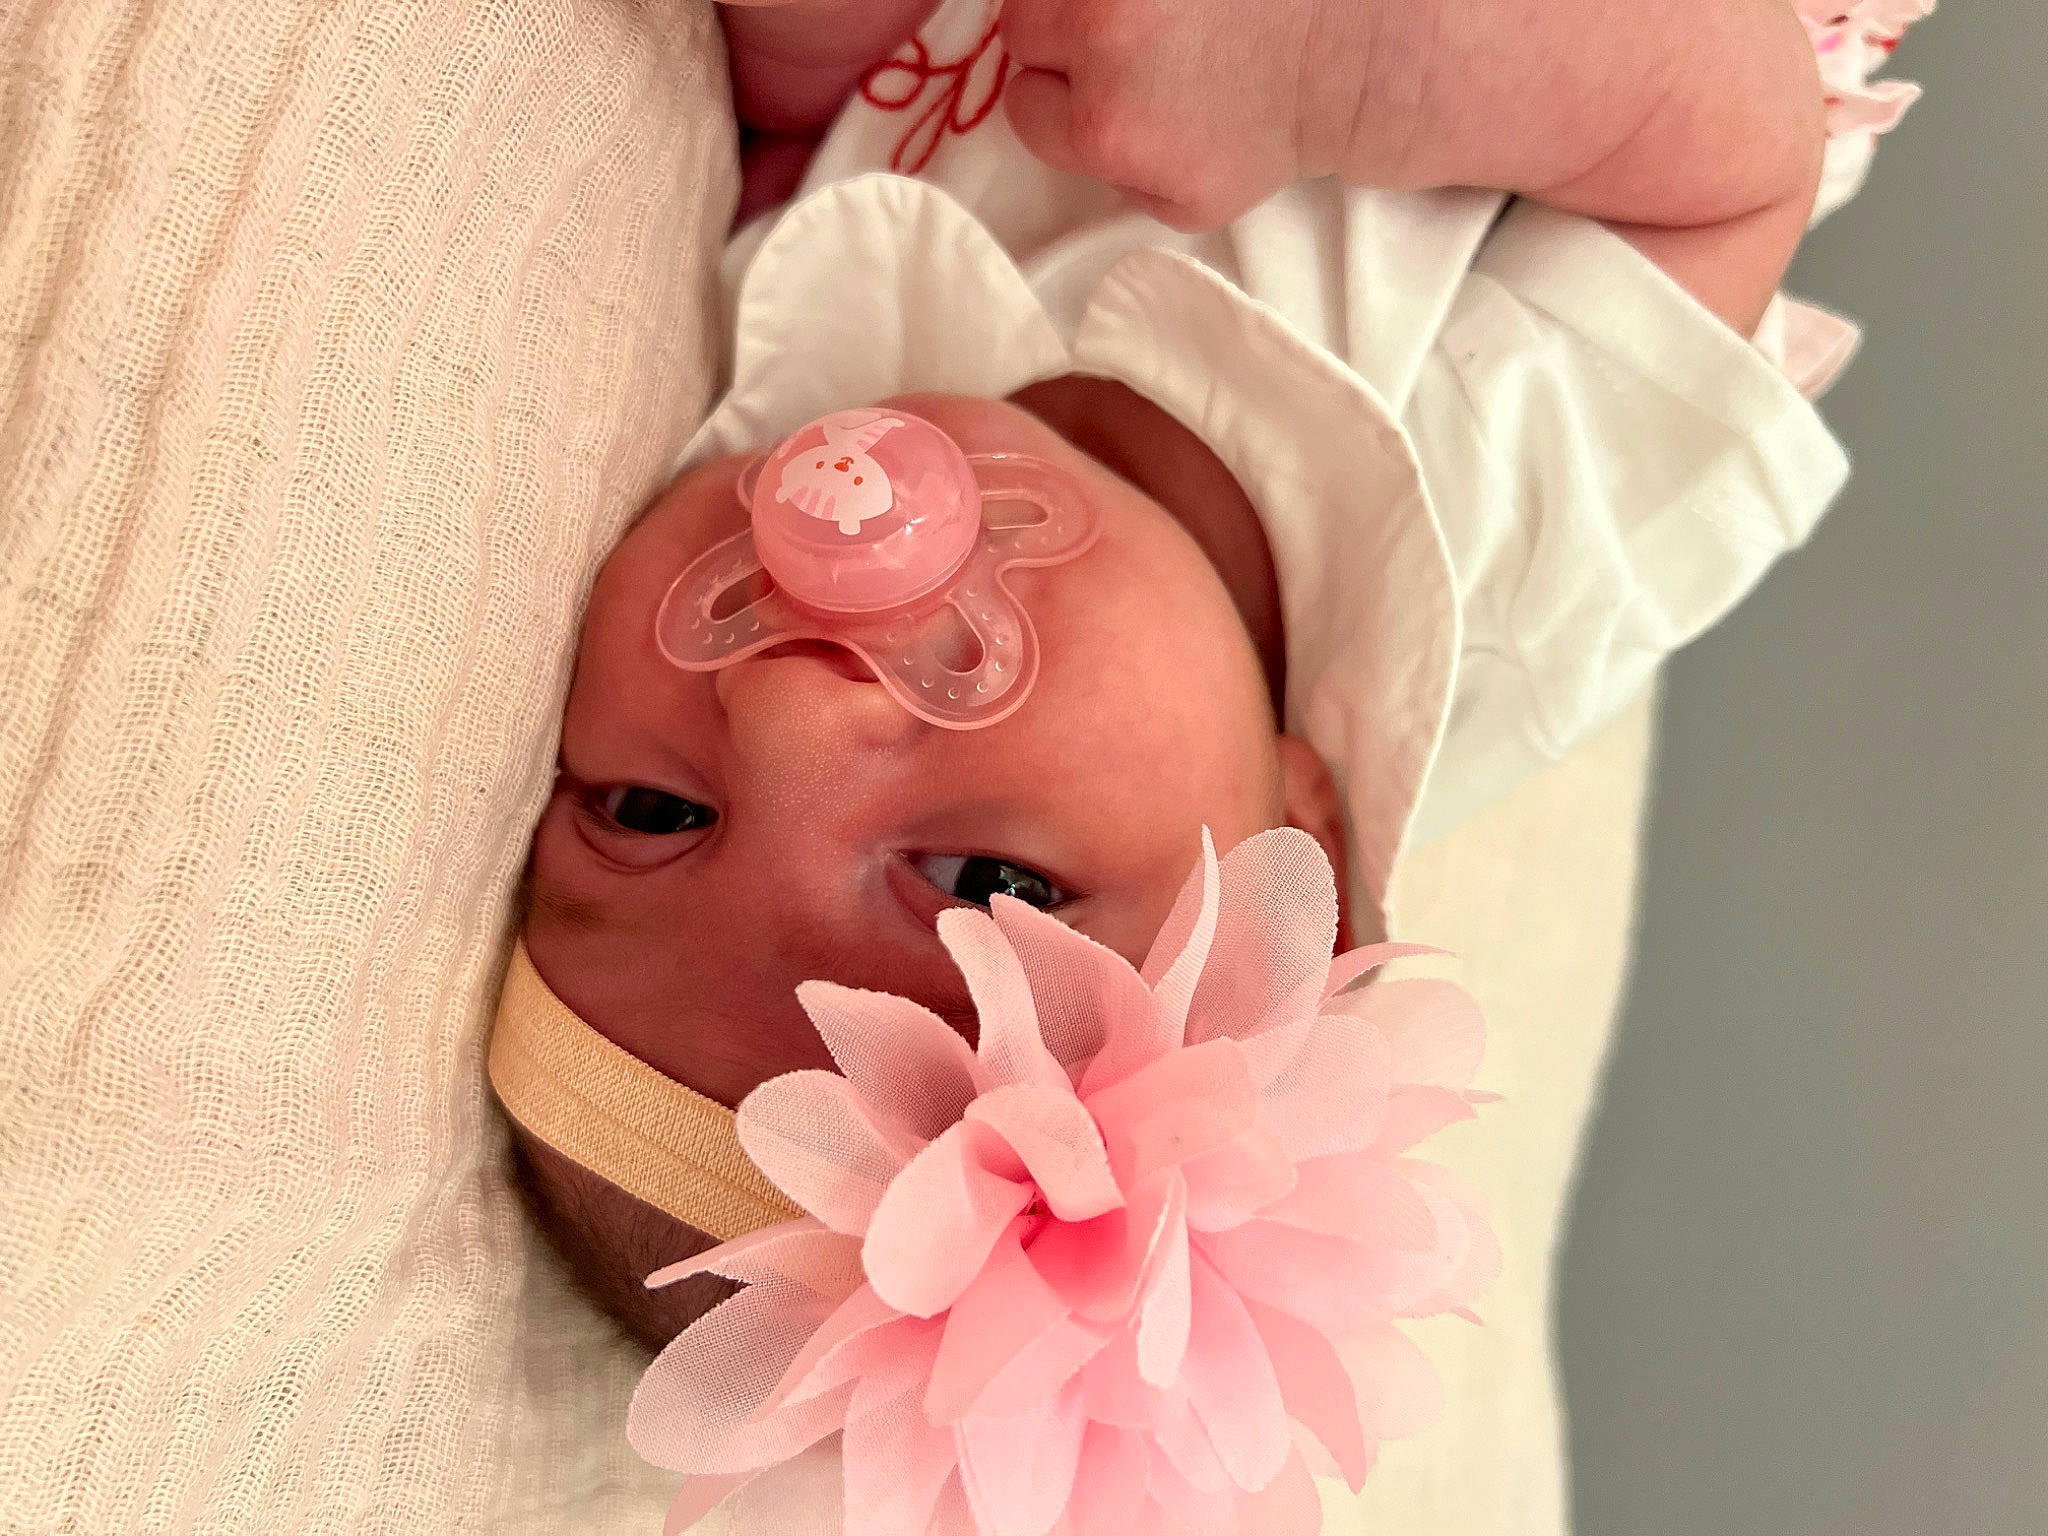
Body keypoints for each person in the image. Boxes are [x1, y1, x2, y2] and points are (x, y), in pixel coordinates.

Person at [495, 0, 1924, 1348]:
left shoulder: (808, 345)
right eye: (988, 886)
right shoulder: (1491, 530)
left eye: (652, 814)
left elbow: (857, 110)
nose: (790, 701)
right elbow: (1737, 158)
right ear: (1289, 869)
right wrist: (1343, 70)